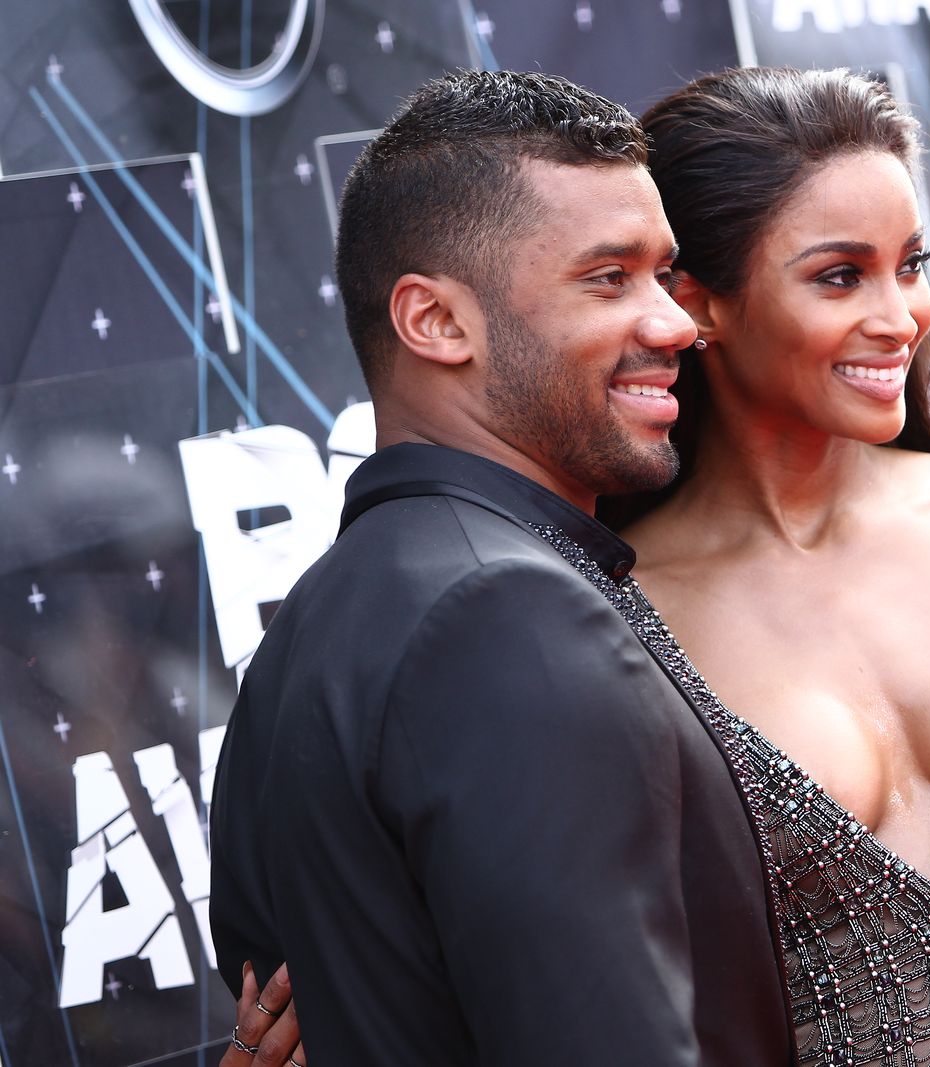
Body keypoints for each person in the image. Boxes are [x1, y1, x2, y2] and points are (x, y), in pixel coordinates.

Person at [238, 67, 930, 1066]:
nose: (899, 316)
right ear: (709, 305)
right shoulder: (605, 619)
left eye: (911, 264)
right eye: (839, 274)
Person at [208, 70, 791, 1067]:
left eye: (663, 273)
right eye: (608, 278)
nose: (674, 323)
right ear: (435, 322)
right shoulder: (503, 614)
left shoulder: (313, 630)